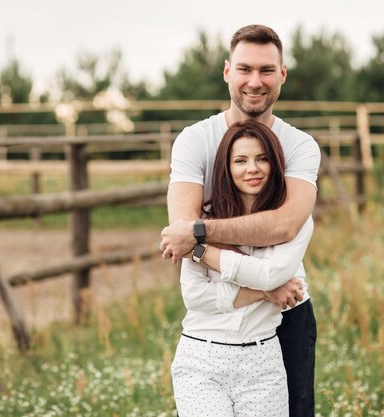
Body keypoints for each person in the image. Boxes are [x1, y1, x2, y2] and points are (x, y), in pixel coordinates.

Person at [159, 24, 321, 416]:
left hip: (285, 305)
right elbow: (181, 229)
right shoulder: (196, 139)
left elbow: (285, 225)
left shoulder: (300, 145)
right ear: (227, 71)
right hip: (218, 319)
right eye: (245, 69)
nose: (255, 81)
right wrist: (263, 282)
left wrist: (201, 233)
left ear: (282, 74)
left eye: (267, 70)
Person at [172, 119, 313, 417]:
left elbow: (271, 275)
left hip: (263, 360)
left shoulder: (294, 222)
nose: (252, 168)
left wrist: (201, 250)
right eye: (240, 160)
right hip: (202, 357)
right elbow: (195, 297)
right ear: (227, 166)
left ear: (275, 164)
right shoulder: (203, 221)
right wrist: (265, 293)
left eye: (262, 158)